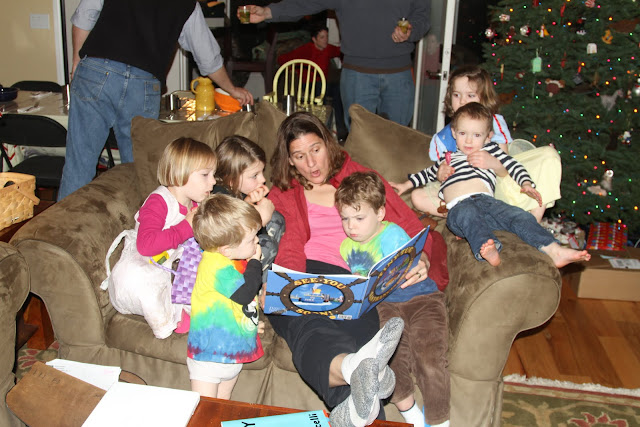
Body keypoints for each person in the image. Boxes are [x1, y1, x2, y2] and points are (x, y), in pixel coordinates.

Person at [267, 112, 449, 426]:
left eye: (316, 149)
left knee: (364, 336)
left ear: (328, 143)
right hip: (305, 274)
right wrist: (286, 283)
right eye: (299, 156)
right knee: (308, 325)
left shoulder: (360, 177)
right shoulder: (282, 193)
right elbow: (278, 243)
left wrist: (422, 259)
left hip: (356, 278)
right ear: (289, 161)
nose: (311, 163)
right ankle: (353, 373)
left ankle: (353, 380)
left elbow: (410, 226)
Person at [58, 0, 253, 201]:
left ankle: (63, 222)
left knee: (79, 163)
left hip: (96, 71)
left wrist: (77, 62)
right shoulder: (186, 4)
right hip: (142, 82)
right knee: (139, 168)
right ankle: (143, 220)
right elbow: (208, 57)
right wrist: (231, 89)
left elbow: (83, 17)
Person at [403, 102, 590, 268]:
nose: (468, 140)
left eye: (477, 135)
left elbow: (513, 165)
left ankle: (554, 250)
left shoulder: (491, 151)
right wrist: (405, 185)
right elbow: (425, 175)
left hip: (489, 203)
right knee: (468, 214)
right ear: (454, 133)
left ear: (488, 137)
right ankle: (489, 247)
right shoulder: (448, 158)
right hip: (459, 209)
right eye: (462, 133)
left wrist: (526, 183)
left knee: (520, 216)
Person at [335, 171, 450, 427]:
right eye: (345, 218)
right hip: (385, 306)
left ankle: (440, 421)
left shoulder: (392, 234)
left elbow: (404, 267)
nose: (351, 226)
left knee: (430, 357)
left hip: (421, 298)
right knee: (391, 360)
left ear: (380, 213)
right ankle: (411, 414)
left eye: (359, 218)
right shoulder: (345, 247)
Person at [391, 65, 562, 222]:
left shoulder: (495, 123)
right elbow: (438, 171)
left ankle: (533, 220)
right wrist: (440, 174)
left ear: (483, 98)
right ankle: (465, 218)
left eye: (470, 95)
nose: (462, 101)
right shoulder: (442, 137)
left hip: (498, 184)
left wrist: (492, 163)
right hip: (463, 191)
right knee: (418, 197)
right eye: (456, 95)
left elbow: (506, 167)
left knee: (548, 155)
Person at [242, 0, 429, 128]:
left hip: (399, 74)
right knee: (359, 142)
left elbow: (422, 16)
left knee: (397, 141)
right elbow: (304, 3)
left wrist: (411, 31)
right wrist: (268, 12)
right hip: (357, 75)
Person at [102, 137, 216, 339]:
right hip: (148, 261)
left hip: (175, 264)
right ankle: (166, 320)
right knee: (141, 280)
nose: (213, 181)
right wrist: (185, 227)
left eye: (213, 175)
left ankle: (188, 308)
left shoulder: (195, 203)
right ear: (180, 172)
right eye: (206, 175)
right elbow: (146, 245)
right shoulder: (159, 201)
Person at [187, 194, 264, 398]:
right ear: (227, 250)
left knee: (222, 408)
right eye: (252, 239)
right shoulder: (216, 265)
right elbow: (245, 294)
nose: (257, 241)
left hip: (231, 353)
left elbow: (234, 303)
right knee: (204, 410)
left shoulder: (232, 259)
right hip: (209, 356)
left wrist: (250, 323)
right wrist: (255, 263)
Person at [213, 135, 285, 280]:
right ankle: (251, 285)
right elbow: (232, 236)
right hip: (227, 264)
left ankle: (267, 278)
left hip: (245, 246)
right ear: (231, 179)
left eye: (262, 172)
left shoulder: (241, 191)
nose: (263, 179)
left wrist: (249, 202)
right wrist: (259, 216)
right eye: (255, 175)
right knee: (266, 245)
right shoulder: (218, 197)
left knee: (276, 219)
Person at [277, 24, 348, 141]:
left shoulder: (328, 49)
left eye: (326, 36)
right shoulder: (306, 49)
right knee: (320, 89)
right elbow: (283, 59)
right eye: (322, 37)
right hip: (309, 84)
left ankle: (341, 131)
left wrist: (344, 61)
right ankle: (321, 129)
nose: (325, 40)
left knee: (337, 90)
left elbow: (341, 51)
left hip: (323, 83)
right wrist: (293, 69)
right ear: (314, 39)